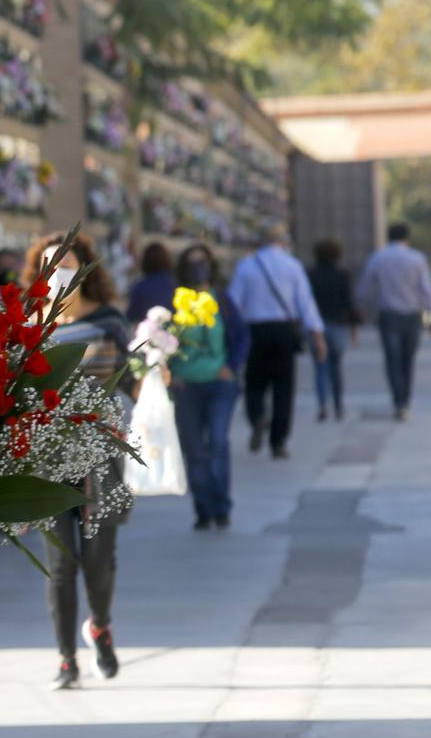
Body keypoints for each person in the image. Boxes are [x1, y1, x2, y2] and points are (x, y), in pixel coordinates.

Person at [34, 231, 131, 690]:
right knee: (61, 563)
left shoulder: (110, 320)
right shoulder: (32, 324)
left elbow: (130, 380)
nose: (58, 275)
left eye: (67, 265)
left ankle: (101, 625)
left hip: (102, 451)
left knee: (98, 558)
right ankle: (65, 657)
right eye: (50, 265)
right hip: (51, 456)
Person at [226, 227, 326, 460]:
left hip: (254, 331)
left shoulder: (246, 266)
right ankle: (278, 442)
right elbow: (306, 303)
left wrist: (231, 336)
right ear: (283, 243)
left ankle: (257, 417)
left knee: (254, 382)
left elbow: (233, 304)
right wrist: (318, 338)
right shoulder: (292, 266)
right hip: (284, 331)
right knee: (284, 387)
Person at [166, 269, 250, 533]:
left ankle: (221, 506)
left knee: (218, 441)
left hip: (219, 383)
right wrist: (170, 370)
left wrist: (232, 366)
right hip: (186, 385)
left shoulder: (222, 302)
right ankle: (203, 508)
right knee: (194, 448)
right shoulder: (175, 304)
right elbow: (158, 340)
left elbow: (242, 336)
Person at [357, 223, 431, 421]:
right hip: (412, 316)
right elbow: (426, 288)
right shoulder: (417, 258)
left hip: (388, 315)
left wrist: (363, 308)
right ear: (407, 237)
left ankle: (398, 401)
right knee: (407, 360)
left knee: (392, 360)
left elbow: (366, 288)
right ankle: (405, 401)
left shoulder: (378, 258)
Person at [306, 239, 358, 422]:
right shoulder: (343, 273)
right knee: (336, 367)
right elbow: (349, 302)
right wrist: (354, 329)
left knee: (320, 367)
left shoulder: (310, 274)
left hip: (316, 327)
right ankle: (338, 406)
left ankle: (322, 405)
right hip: (338, 325)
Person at [125, 240, 178, 326]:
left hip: (147, 333)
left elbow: (131, 316)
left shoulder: (140, 286)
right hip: (172, 334)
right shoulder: (175, 284)